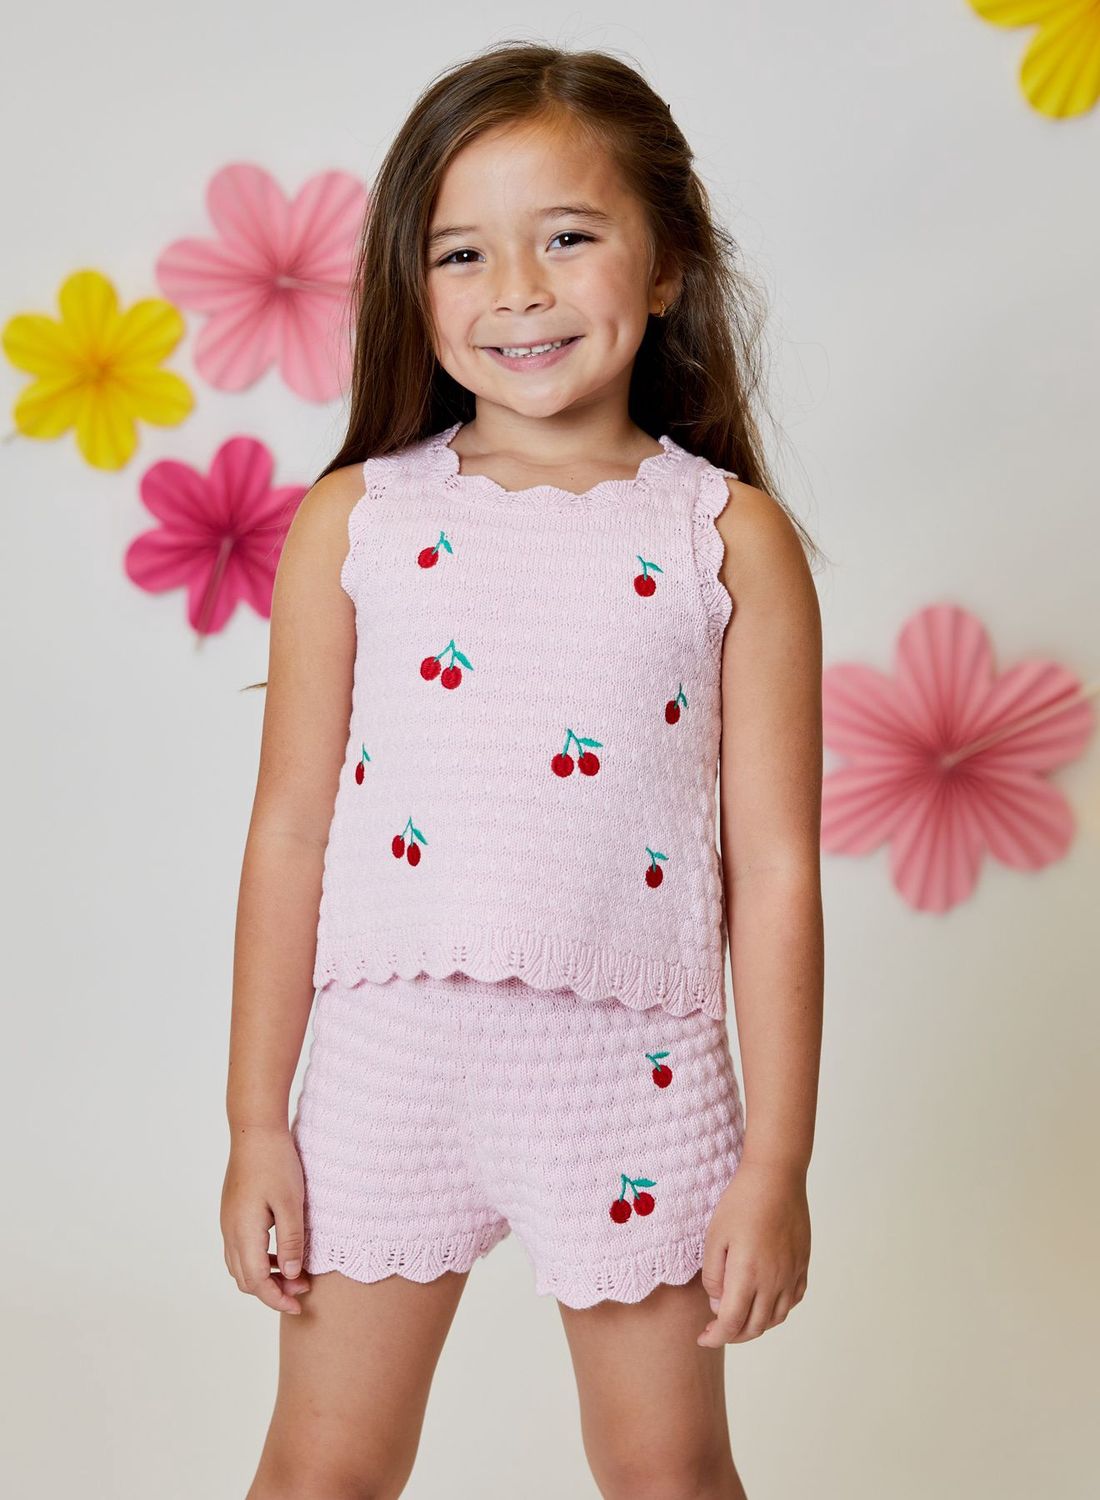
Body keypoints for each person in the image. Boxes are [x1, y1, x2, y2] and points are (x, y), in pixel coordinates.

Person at [223, 39, 824, 1500]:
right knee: (322, 1470)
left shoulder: (725, 537)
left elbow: (777, 871)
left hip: (638, 1075)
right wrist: (254, 1122)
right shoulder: (356, 521)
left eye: (568, 237)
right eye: (462, 253)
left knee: (669, 1472)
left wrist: (777, 1165)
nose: (518, 291)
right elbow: (291, 830)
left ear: (667, 264)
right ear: (410, 286)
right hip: (388, 1067)